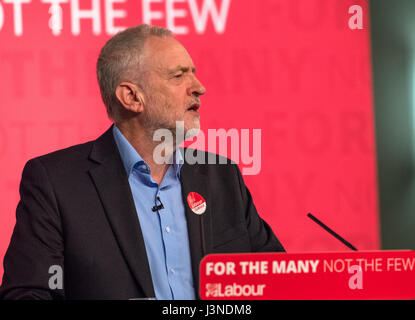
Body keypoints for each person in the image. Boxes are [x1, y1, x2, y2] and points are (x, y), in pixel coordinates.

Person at [0, 24, 284, 300]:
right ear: (132, 97)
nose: (199, 87)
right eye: (178, 76)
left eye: (193, 74)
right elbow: (32, 292)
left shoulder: (222, 177)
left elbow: (276, 282)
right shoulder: (57, 184)